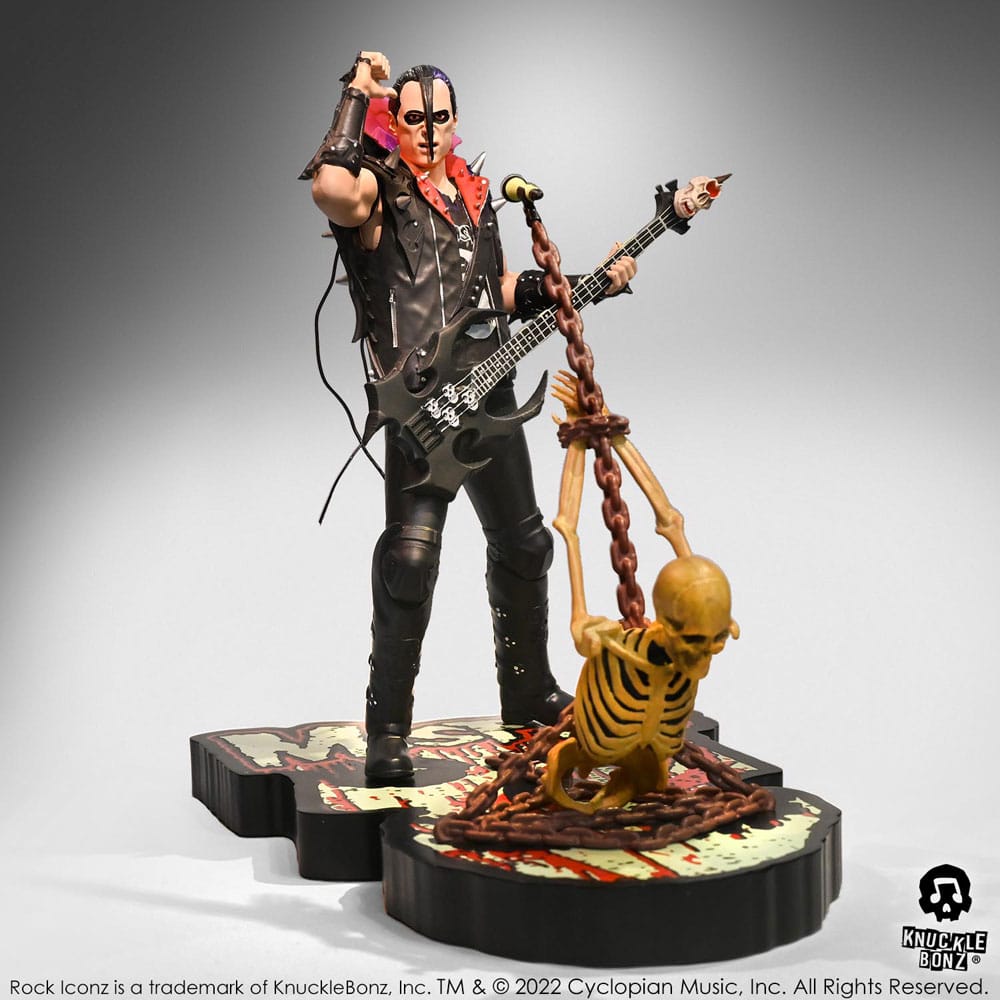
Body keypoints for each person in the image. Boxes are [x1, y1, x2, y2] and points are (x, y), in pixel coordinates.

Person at [301, 51, 641, 781]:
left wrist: (585, 284)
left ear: (457, 122)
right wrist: (358, 92)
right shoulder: (378, 189)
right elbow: (329, 187)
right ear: (396, 123)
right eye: (412, 118)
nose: (427, 131)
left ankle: (528, 694)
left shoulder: (475, 195)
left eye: (439, 118)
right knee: (409, 562)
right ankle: (388, 728)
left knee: (526, 546)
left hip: (489, 395)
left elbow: (500, 288)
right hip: (421, 408)